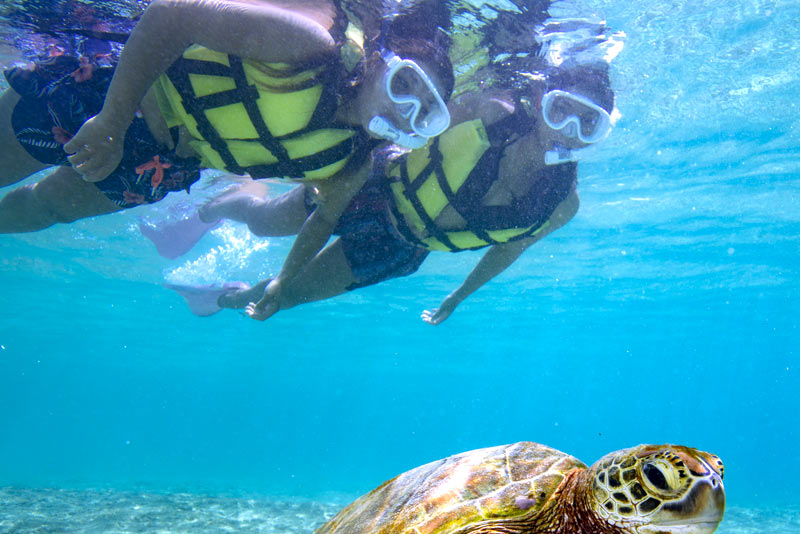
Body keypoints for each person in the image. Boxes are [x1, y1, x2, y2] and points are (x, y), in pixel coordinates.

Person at [166, 63, 617, 324]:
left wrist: (459, 295)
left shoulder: (562, 204)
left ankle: (218, 296)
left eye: (587, 123)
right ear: (541, 104)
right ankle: (216, 206)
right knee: (265, 222)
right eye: (561, 111)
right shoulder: (490, 109)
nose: (568, 132)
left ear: (600, 134)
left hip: (401, 247)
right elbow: (413, 119)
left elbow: (508, 250)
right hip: (371, 186)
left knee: (285, 296)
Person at [0, 0, 453, 234]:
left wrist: (283, 281)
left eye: (424, 113)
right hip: (112, 95)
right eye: (405, 83)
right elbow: (174, 12)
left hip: (160, 167)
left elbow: (302, 219)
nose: (404, 107)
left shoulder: (348, 161)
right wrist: (113, 121)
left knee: (47, 209)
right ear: (381, 62)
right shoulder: (309, 45)